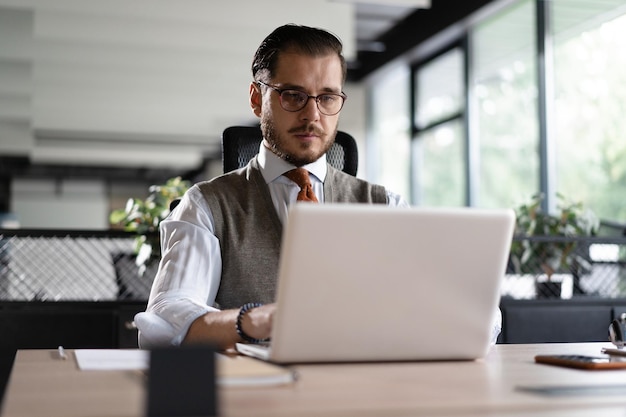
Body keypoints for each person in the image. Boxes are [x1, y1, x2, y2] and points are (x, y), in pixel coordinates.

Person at [134, 24, 500, 349]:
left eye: (327, 97)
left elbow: (477, 314)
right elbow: (164, 318)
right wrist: (253, 320)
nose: (312, 115)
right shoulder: (206, 205)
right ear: (257, 97)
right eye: (293, 95)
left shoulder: (384, 205)